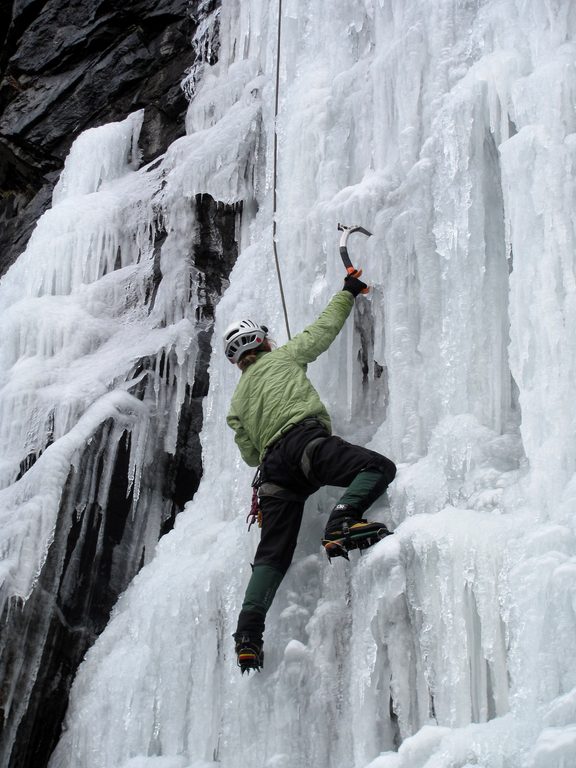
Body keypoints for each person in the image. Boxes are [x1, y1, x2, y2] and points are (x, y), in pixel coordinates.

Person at [224, 271, 396, 673]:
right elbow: (322, 332)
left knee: (272, 556)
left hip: (274, 475)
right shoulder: (283, 357)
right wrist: (348, 292)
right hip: (306, 444)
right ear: (263, 343)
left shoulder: (235, 402)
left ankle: (248, 634)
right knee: (377, 467)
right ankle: (342, 521)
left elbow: (250, 454)